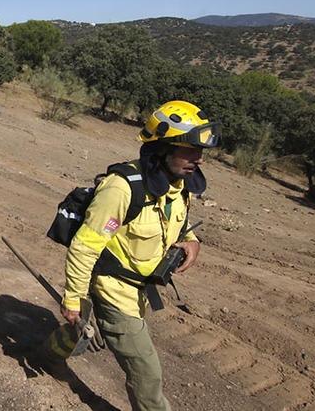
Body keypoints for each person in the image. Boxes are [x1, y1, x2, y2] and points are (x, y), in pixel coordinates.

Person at [44, 100, 220, 411]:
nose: (199, 160)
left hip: (139, 291)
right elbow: (86, 245)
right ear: (162, 148)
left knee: (80, 327)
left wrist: (191, 242)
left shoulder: (178, 185)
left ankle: (46, 355)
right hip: (114, 290)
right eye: (189, 151)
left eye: (200, 152)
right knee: (147, 372)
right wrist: (72, 297)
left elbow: (176, 224)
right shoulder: (122, 189)